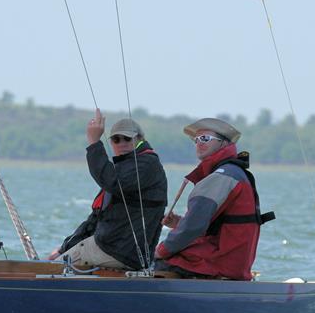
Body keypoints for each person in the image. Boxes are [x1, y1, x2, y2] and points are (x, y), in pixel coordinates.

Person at [154, 118, 273, 280]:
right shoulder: (235, 172)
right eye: (196, 139)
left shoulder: (222, 176)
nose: (199, 143)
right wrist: (179, 223)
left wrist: (162, 250)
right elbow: (211, 224)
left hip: (219, 261)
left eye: (205, 138)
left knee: (155, 263)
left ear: (223, 143)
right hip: (235, 261)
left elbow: (193, 226)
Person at [49, 108, 168, 270]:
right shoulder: (123, 169)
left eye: (127, 138)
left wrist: (93, 142)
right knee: (51, 263)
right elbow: (94, 220)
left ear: (140, 139)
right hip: (108, 246)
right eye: (116, 139)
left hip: (119, 251)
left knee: (51, 270)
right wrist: (64, 248)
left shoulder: (147, 164)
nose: (121, 143)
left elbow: (112, 182)